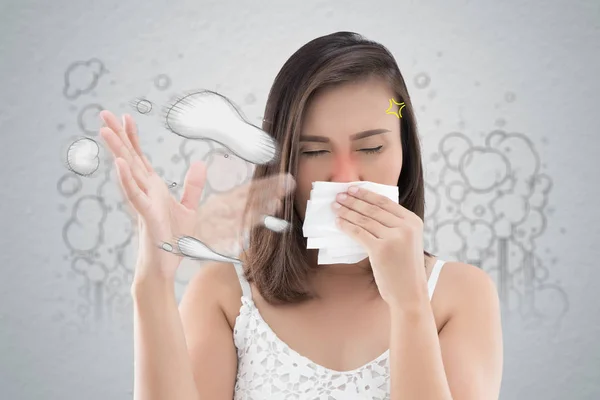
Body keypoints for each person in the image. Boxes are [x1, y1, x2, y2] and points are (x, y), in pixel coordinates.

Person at [100, 31, 503, 400]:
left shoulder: (460, 294)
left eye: (371, 148)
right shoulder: (224, 293)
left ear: (405, 153)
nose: (345, 178)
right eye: (313, 152)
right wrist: (154, 279)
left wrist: (410, 303)